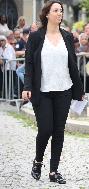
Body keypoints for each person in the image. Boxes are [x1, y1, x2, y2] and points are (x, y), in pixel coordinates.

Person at [22, 0, 84, 184]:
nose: (60, 13)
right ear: (47, 14)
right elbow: (30, 64)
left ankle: (54, 171)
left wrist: (79, 90)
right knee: (45, 129)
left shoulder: (67, 36)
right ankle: (38, 161)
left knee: (58, 131)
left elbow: (73, 64)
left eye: (61, 10)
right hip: (42, 91)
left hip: (64, 89)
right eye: (56, 10)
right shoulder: (36, 37)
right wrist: (27, 87)